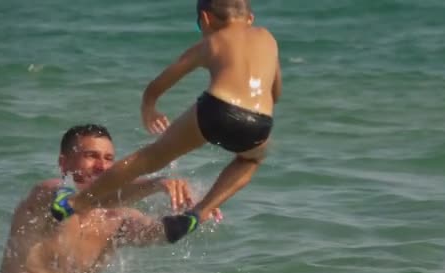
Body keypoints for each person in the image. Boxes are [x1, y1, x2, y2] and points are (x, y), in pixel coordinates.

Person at [52, 0, 281, 244]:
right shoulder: (268, 38)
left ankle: (74, 203)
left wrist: (149, 107)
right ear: (250, 18)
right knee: (250, 160)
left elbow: (162, 82)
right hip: (259, 121)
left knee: (149, 159)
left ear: (205, 19)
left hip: (217, 108)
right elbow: (276, 93)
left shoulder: (210, 43)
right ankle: (197, 213)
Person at [0, 124, 218, 273]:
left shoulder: (116, 221)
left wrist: (197, 212)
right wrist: (155, 184)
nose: (102, 166)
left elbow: (164, 233)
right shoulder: (46, 197)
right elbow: (77, 199)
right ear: (64, 163)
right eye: (91, 156)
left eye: (109, 159)